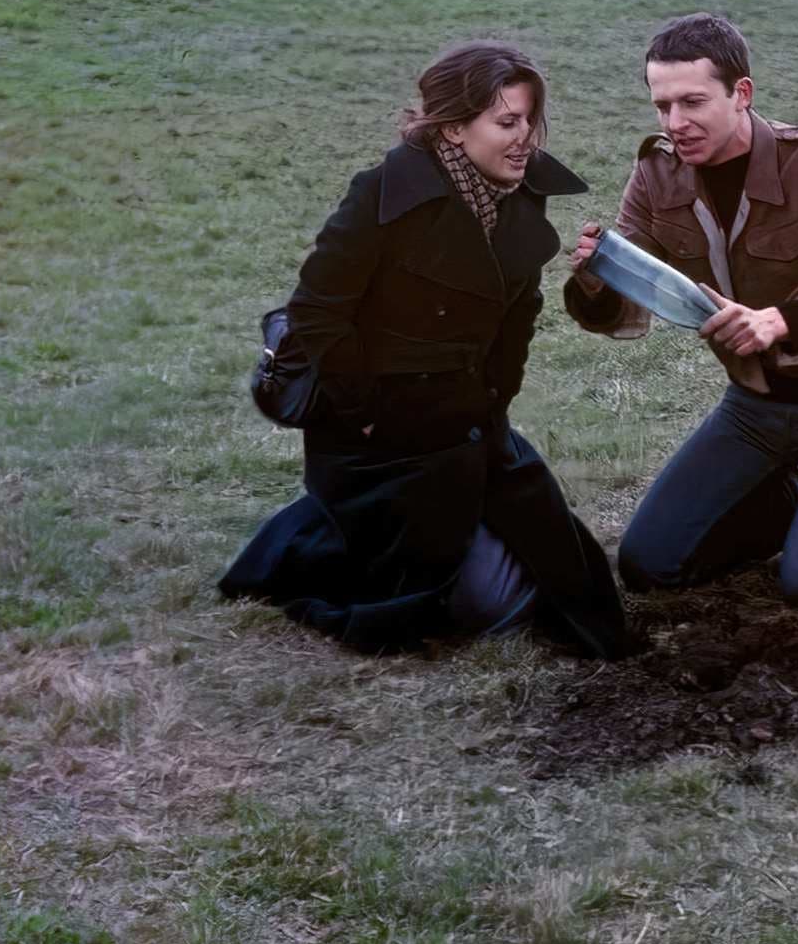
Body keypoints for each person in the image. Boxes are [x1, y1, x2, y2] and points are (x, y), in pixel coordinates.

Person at [219, 42, 632, 658]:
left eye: (528, 120)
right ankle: (317, 535)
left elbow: (517, 314)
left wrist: (496, 400)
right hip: (379, 441)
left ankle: (436, 522)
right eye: (506, 121)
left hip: (469, 424)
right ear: (454, 128)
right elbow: (316, 310)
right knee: (493, 606)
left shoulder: (517, 191)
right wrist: (362, 411)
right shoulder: (383, 194)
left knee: (567, 579)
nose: (525, 137)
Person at [565, 13, 798, 607]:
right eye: (662, 106)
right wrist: (598, 275)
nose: (675, 123)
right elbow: (633, 285)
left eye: (693, 102)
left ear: (742, 94)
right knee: (648, 564)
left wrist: (776, 320)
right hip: (755, 403)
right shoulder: (656, 172)